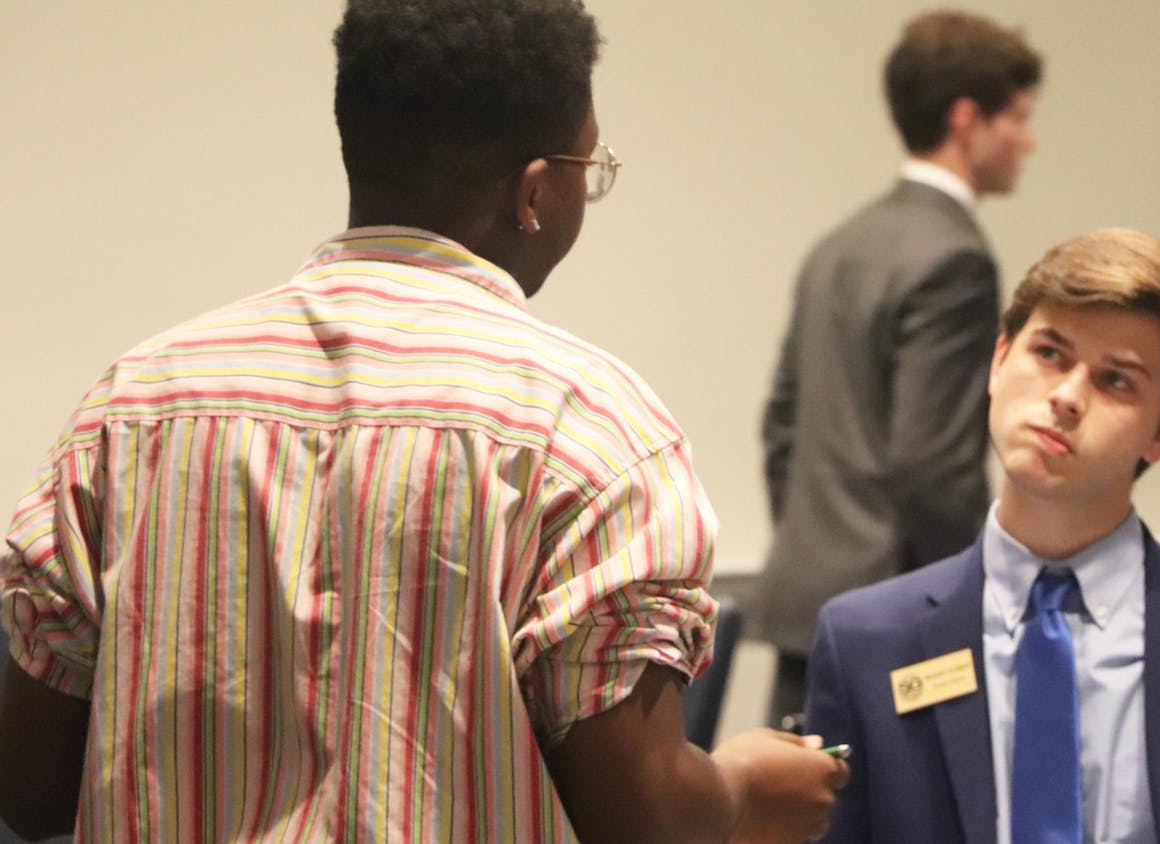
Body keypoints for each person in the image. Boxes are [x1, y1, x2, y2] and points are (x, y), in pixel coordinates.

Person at [0, 1, 847, 841]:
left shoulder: (134, 405)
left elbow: (30, 789)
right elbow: (642, 820)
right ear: (535, 191)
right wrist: (740, 785)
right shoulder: (587, 428)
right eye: (591, 166)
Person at [803, 228, 1160, 843]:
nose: (1065, 397)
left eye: (1116, 381)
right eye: (1050, 354)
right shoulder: (868, 642)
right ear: (999, 359)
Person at [757, 10, 1041, 728]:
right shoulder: (955, 258)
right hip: (903, 619)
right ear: (968, 118)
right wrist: (983, 595)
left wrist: (825, 550)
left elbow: (782, 430)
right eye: (1019, 118)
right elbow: (932, 467)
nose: (1028, 141)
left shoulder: (839, 244)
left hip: (810, 605)